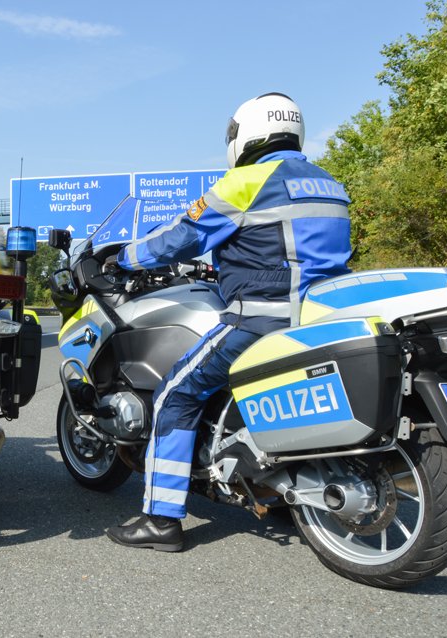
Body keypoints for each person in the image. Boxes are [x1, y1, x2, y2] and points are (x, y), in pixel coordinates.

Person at [105, 93, 352, 551]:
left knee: (175, 394)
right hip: (320, 323)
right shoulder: (331, 184)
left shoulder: (246, 182)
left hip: (260, 321)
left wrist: (124, 257)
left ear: (246, 134)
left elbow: (182, 236)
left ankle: (159, 519)